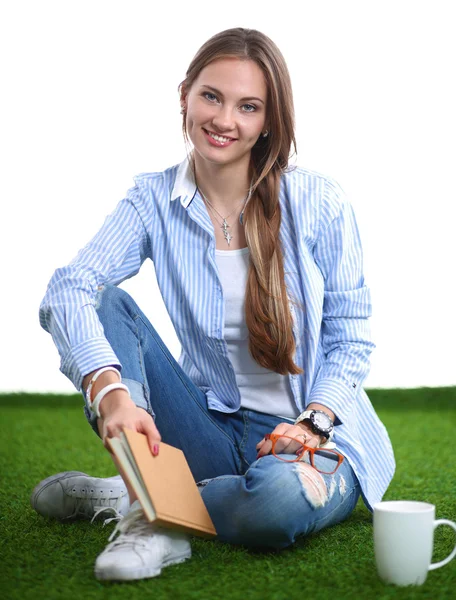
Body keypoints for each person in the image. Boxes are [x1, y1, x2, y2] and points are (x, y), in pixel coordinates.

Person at [32, 27, 395, 581]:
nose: (225, 120)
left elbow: (352, 337)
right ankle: (154, 492)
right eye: (211, 96)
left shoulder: (318, 200)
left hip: (311, 440)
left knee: (276, 505)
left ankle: (144, 497)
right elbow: (69, 288)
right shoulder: (152, 199)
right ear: (185, 96)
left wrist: (313, 424)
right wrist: (110, 394)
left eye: (248, 106)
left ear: (269, 119)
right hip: (208, 427)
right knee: (104, 300)